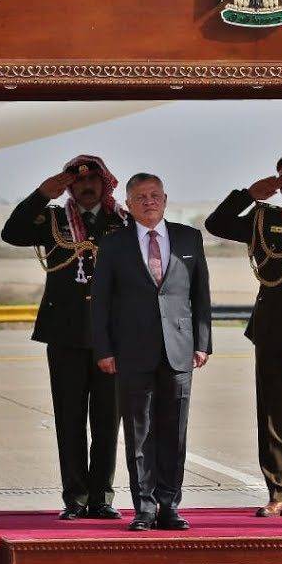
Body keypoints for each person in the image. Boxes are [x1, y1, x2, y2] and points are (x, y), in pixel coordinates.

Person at [0, 155, 129, 521]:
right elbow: (12, 233)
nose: (87, 186)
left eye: (93, 180)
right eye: (79, 181)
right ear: (70, 187)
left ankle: (101, 497)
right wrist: (41, 194)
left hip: (112, 337)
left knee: (107, 421)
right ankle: (75, 497)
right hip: (65, 333)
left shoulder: (122, 221)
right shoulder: (53, 220)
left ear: (105, 184)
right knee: (69, 419)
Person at [203, 152, 282, 518]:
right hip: (272, 327)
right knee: (273, 413)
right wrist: (247, 195)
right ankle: (278, 492)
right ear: (280, 186)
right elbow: (216, 224)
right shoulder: (262, 220)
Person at [90, 172, 213, 531]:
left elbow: (201, 295)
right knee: (139, 432)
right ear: (128, 204)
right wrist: (104, 349)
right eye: (141, 197)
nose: (149, 202)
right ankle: (144, 507)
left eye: (155, 195)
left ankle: (169, 505)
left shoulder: (189, 237)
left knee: (175, 431)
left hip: (179, 349)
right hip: (132, 350)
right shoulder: (114, 244)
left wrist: (202, 342)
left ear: (165, 199)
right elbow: (101, 301)